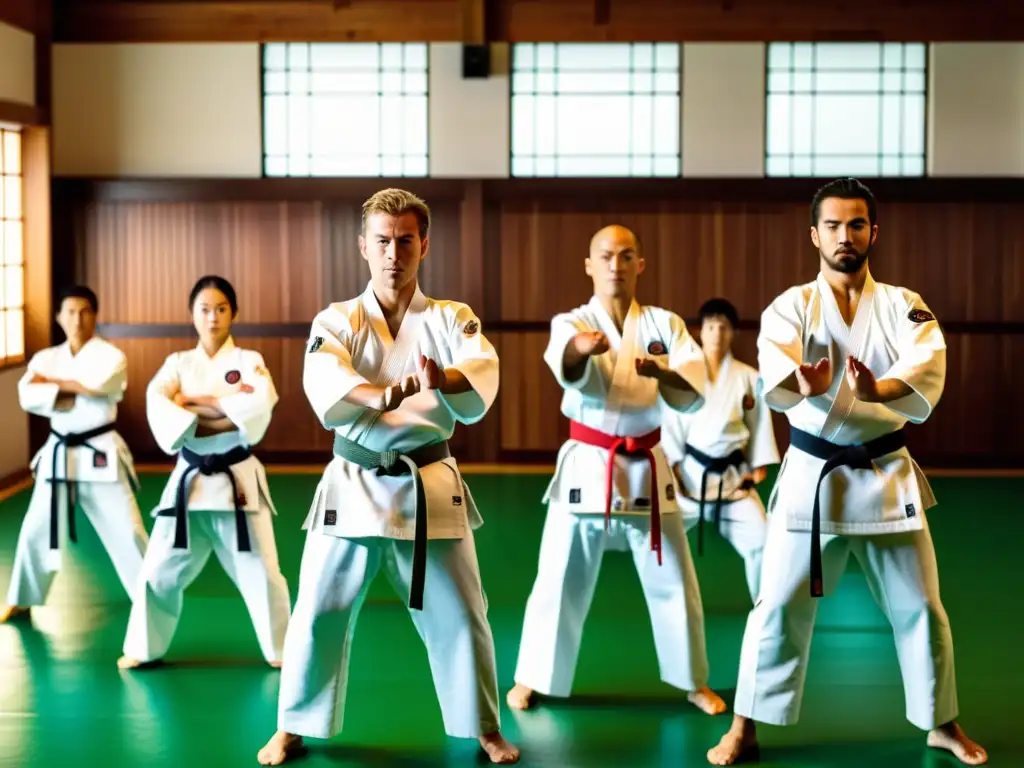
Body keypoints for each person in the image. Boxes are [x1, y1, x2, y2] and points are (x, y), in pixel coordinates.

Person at [707, 178, 987, 766]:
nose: (844, 236)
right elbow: (775, 369)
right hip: (813, 476)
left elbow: (927, 361)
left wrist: (878, 387)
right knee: (778, 605)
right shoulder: (792, 305)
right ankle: (744, 728)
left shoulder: (903, 303)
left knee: (921, 608)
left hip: (885, 473)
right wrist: (798, 384)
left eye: (856, 225)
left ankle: (942, 723)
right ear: (814, 234)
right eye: (832, 226)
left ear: (873, 233)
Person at [257, 189, 519, 766]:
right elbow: (324, 379)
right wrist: (383, 393)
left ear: (424, 244)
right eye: (382, 241)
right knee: (318, 609)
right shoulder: (337, 318)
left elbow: (481, 369)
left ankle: (484, 726)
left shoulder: (451, 317)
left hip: (428, 482)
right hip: (353, 481)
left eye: (405, 240)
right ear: (363, 246)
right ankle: (292, 725)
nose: (393, 253)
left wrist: (442, 377)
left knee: (462, 612)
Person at [506, 225, 725, 717]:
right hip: (588, 463)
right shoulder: (573, 320)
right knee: (559, 577)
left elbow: (692, 389)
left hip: (647, 463)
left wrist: (661, 373)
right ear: (589, 264)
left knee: (675, 578)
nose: (615, 265)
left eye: (626, 256)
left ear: (639, 266)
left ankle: (693, 680)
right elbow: (562, 362)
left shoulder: (665, 325)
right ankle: (533, 677)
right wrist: (580, 350)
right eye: (605, 256)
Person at [117, 275, 291, 669]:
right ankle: (143, 648)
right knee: (159, 569)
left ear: (234, 313)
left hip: (238, 480)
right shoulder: (176, 363)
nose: (213, 317)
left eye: (221, 309)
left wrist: (193, 406)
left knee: (263, 572)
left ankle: (283, 651)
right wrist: (227, 407)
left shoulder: (249, 362)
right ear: (192, 314)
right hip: (190, 484)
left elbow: (258, 407)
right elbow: (160, 404)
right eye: (204, 309)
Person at [1, 286, 147, 623]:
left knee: (128, 529)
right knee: (37, 526)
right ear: (58, 317)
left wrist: (55, 386)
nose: (77, 319)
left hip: (100, 452)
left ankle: (150, 594)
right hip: (59, 453)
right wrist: (76, 387)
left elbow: (101, 386)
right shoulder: (46, 358)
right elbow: (28, 395)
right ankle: (23, 598)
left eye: (84, 312)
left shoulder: (112, 356)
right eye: (69, 312)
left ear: (95, 316)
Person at [661, 297, 778, 602]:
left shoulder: (750, 378)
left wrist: (757, 466)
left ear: (733, 333)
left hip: (732, 481)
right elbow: (669, 427)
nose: (716, 333)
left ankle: (763, 607)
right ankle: (672, 604)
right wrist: (674, 472)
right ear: (700, 331)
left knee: (762, 541)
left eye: (723, 327)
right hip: (688, 478)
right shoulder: (682, 376)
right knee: (661, 542)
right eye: (711, 326)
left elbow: (760, 424)